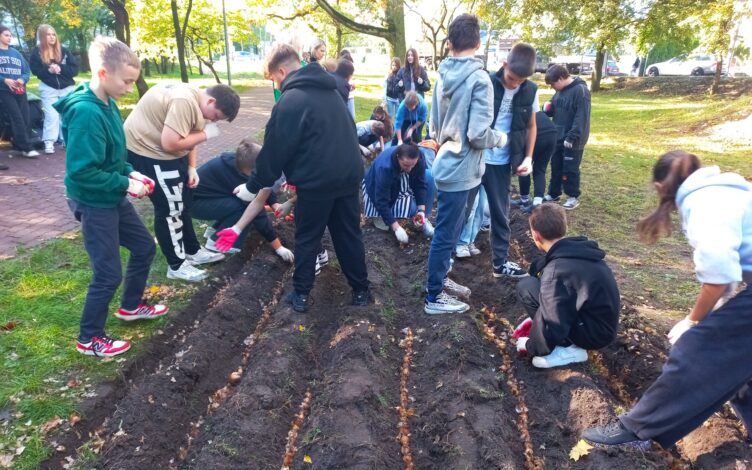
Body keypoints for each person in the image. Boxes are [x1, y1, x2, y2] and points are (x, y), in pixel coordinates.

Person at [583, 150, 752, 450]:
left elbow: (719, 276)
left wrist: (693, 321)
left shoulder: (705, 203)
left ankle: (636, 430)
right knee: (739, 357)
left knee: (697, 349)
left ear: (661, 187)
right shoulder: (726, 191)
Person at [226, 43, 370, 313]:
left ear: (282, 70)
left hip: (316, 183)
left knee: (308, 237)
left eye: (274, 79)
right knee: (349, 235)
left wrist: (253, 186)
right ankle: (361, 291)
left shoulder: (290, 102)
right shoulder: (332, 92)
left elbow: (274, 151)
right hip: (349, 176)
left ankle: (301, 295)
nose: (276, 85)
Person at [58, 37, 167, 357]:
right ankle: (89, 338)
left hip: (110, 193)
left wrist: (130, 172)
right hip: (94, 201)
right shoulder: (86, 113)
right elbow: (81, 172)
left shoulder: (107, 102)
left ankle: (131, 306)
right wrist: (124, 184)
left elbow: (112, 156)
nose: (131, 88)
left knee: (145, 247)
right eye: (127, 81)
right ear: (103, 73)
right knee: (108, 273)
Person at [424, 13, 507, 315]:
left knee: (452, 227)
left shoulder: (441, 76)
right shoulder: (479, 79)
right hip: (463, 169)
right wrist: (501, 139)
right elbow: (477, 134)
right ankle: (434, 297)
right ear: (478, 41)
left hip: (446, 163)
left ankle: (441, 279)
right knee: (446, 233)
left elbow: (433, 128)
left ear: (450, 44)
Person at [124, 82, 240, 282]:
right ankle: (176, 265)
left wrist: (191, 167)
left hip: (168, 152)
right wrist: (205, 135)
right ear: (211, 101)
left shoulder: (199, 103)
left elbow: (189, 135)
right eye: (216, 116)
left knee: (183, 202)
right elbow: (170, 143)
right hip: (148, 152)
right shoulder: (184, 101)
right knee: (170, 209)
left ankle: (192, 251)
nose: (214, 121)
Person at [513, 203, 619, 368]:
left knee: (526, 287)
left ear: (535, 234)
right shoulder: (578, 252)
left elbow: (554, 320)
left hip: (593, 335)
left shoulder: (557, 270)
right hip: (598, 324)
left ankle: (569, 348)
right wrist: (535, 319)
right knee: (530, 284)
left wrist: (530, 345)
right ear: (565, 227)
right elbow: (562, 299)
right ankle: (569, 342)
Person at [482, 42, 538, 279]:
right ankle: (448, 263)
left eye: (520, 80)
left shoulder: (530, 90)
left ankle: (500, 263)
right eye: (512, 77)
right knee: (461, 211)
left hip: (502, 162)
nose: (515, 83)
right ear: (504, 65)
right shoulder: (486, 83)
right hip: (476, 156)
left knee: (500, 213)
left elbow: (531, 125)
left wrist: (528, 156)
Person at [191, 137, 294, 262]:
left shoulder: (240, 163)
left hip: (209, 199)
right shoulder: (234, 175)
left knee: (236, 202)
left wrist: (275, 205)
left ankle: (215, 232)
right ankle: (215, 243)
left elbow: (263, 185)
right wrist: (279, 247)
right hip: (194, 204)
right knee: (241, 206)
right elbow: (257, 212)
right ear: (251, 171)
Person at [363, 143, 435, 243]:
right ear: (398, 157)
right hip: (378, 186)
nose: (410, 169)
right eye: (406, 165)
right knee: (395, 212)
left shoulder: (419, 157)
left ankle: (424, 221)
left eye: (413, 165)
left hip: (400, 178)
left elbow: (420, 184)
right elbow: (381, 199)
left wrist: (421, 211)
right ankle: (380, 215)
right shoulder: (385, 168)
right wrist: (396, 227)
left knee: (430, 177)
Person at [543, 64, 591, 210]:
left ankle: (572, 196)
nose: (552, 87)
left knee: (570, 168)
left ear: (562, 78)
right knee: (556, 165)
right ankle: (554, 193)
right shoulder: (559, 91)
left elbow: (581, 116)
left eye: (553, 83)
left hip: (573, 139)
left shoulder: (580, 91)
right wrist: (547, 110)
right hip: (558, 135)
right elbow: (554, 108)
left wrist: (572, 136)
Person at [30, 24, 78, 155]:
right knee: (51, 115)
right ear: (42, 37)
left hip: (67, 88)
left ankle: (66, 140)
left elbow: (74, 70)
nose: (52, 37)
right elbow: (36, 71)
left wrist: (61, 68)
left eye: (53, 34)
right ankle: (49, 142)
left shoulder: (64, 51)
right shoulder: (37, 52)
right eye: (48, 35)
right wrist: (49, 70)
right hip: (48, 88)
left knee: (67, 115)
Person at [0, 25, 39, 158]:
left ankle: (20, 143)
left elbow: (26, 71)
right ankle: (27, 148)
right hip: (4, 91)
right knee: (16, 117)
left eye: (10, 35)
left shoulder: (16, 53)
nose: (9, 37)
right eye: (6, 35)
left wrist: (22, 79)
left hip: (20, 90)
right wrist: (4, 80)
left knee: (25, 117)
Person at [510, 111, 557, 212]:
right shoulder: (530, 106)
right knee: (540, 169)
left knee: (524, 166)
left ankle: (524, 199)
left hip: (536, 134)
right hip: (552, 133)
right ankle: (537, 203)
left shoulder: (516, 111)